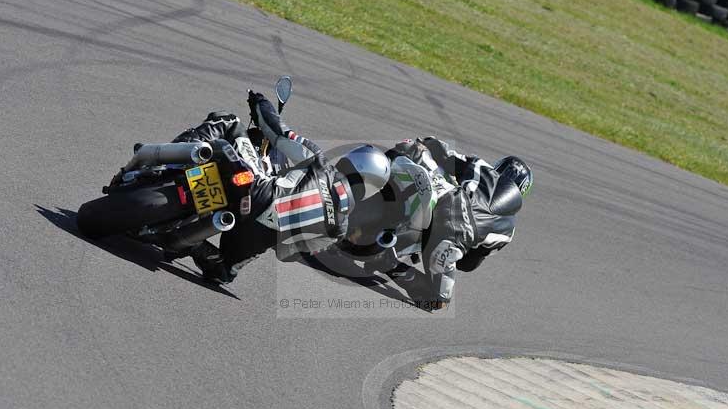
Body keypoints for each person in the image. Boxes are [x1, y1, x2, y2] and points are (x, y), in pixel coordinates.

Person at [174, 91, 391, 283]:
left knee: (228, 121)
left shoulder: (320, 162)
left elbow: (278, 132)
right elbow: (285, 253)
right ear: (371, 189)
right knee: (224, 271)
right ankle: (193, 243)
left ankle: (172, 162)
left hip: (258, 192)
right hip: (259, 236)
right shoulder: (338, 230)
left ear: (350, 161)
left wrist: (260, 102)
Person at [348, 137, 532, 309]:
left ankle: (359, 179)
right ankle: (388, 262)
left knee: (410, 150)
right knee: (438, 300)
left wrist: (424, 144)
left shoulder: (483, 167)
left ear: (498, 166)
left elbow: (444, 153)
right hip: (452, 238)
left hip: (444, 196)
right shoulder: (508, 231)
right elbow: (467, 264)